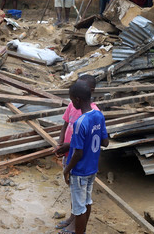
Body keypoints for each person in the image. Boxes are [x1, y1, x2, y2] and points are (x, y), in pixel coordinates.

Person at [54, 74, 101, 231]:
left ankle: (77, 225)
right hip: (75, 157)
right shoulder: (76, 107)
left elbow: (80, 149)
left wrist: (67, 169)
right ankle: (73, 219)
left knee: (81, 199)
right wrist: (61, 144)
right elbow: (65, 124)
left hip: (78, 161)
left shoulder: (88, 116)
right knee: (77, 195)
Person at [62, 80, 108, 234]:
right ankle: (83, 230)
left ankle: (79, 231)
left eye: (71, 99)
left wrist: (66, 170)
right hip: (92, 168)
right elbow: (105, 142)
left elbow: (78, 153)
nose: (71, 102)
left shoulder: (80, 123)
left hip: (79, 171)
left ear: (77, 100)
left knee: (79, 208)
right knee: (87, 201)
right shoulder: (99, 115)